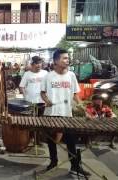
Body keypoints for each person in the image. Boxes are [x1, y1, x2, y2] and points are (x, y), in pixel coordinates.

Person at [40, 49, 91, 177]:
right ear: (56, 61)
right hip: (51, 113)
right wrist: (47, 101)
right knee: (51, 141)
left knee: (71, 141)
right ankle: (53, 162)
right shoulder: (48, 76)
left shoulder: (71, 75)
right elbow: (42, 93)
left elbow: (75, 94)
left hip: (67, 114)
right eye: (64, 58)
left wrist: (83, 108)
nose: (67, 60)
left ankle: (75, 166)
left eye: (68, 58)